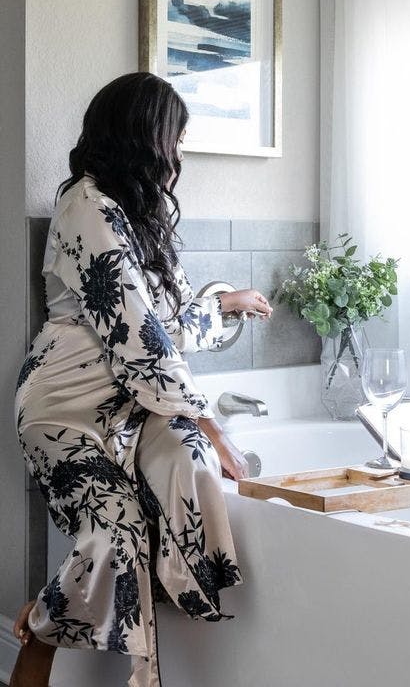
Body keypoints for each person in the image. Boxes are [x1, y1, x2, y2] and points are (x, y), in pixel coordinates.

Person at [11, 72, 273, 687]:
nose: (178, 153)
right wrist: (211, 421)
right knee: (116, 527)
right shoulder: (85, 206)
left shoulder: (138, 215)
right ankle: (39, 632)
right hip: (63, 411)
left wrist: (228, 302)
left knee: (183, 477)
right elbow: (138, 336)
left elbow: (169, 320)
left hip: (130, 411)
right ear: (140, 135)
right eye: (174, 138)